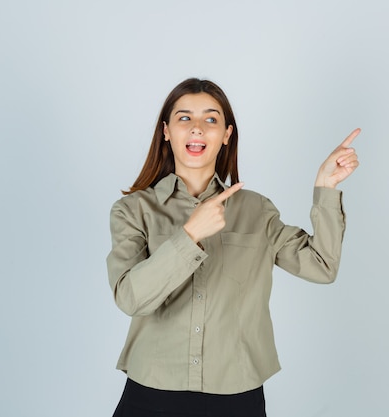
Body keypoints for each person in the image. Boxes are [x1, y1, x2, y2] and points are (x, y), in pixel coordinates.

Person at [106, 78, 359, 417]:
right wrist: (190, 235)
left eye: (211, 119)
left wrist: (325, 188)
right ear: (166, 131)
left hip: (236, 396)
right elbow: (130, 298)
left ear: (226, 134)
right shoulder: (133, 210)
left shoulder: (256, 210)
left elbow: (321, 266)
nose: (197, 128)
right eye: (184, 118)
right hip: (151, 393)